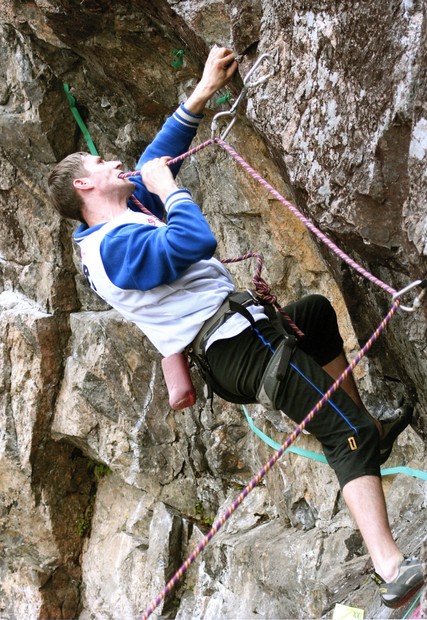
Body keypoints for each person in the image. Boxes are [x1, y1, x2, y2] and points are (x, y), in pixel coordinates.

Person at [47, 46, 423, 609]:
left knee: (315, 314)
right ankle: (389, 567)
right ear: (84, 186)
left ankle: (364, 428)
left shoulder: (117, 221)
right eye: (101, 163)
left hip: (243, 335)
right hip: (239, 349)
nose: (114, 162)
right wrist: (170, 191)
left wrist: (202, 91)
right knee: (344, 433)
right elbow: (194, 240)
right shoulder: (117, 248)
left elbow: (154, 157)